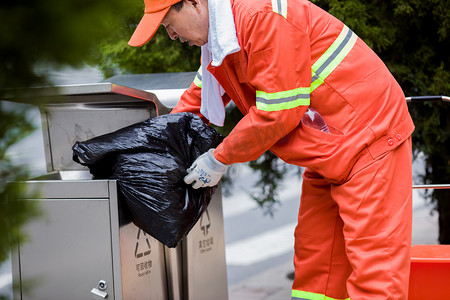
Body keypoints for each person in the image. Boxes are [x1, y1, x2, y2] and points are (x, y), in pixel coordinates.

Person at [128, 0, 415, 299]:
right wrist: (153, 147)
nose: (172, 35)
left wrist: (218, 159)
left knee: (376, 274)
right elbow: (198, 98)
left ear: (194, 3)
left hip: (370, 141)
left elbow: (279, 111)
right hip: (332, 151)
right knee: (317, 271)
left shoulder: (260, 18)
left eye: (169, 24)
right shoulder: (223, 40)